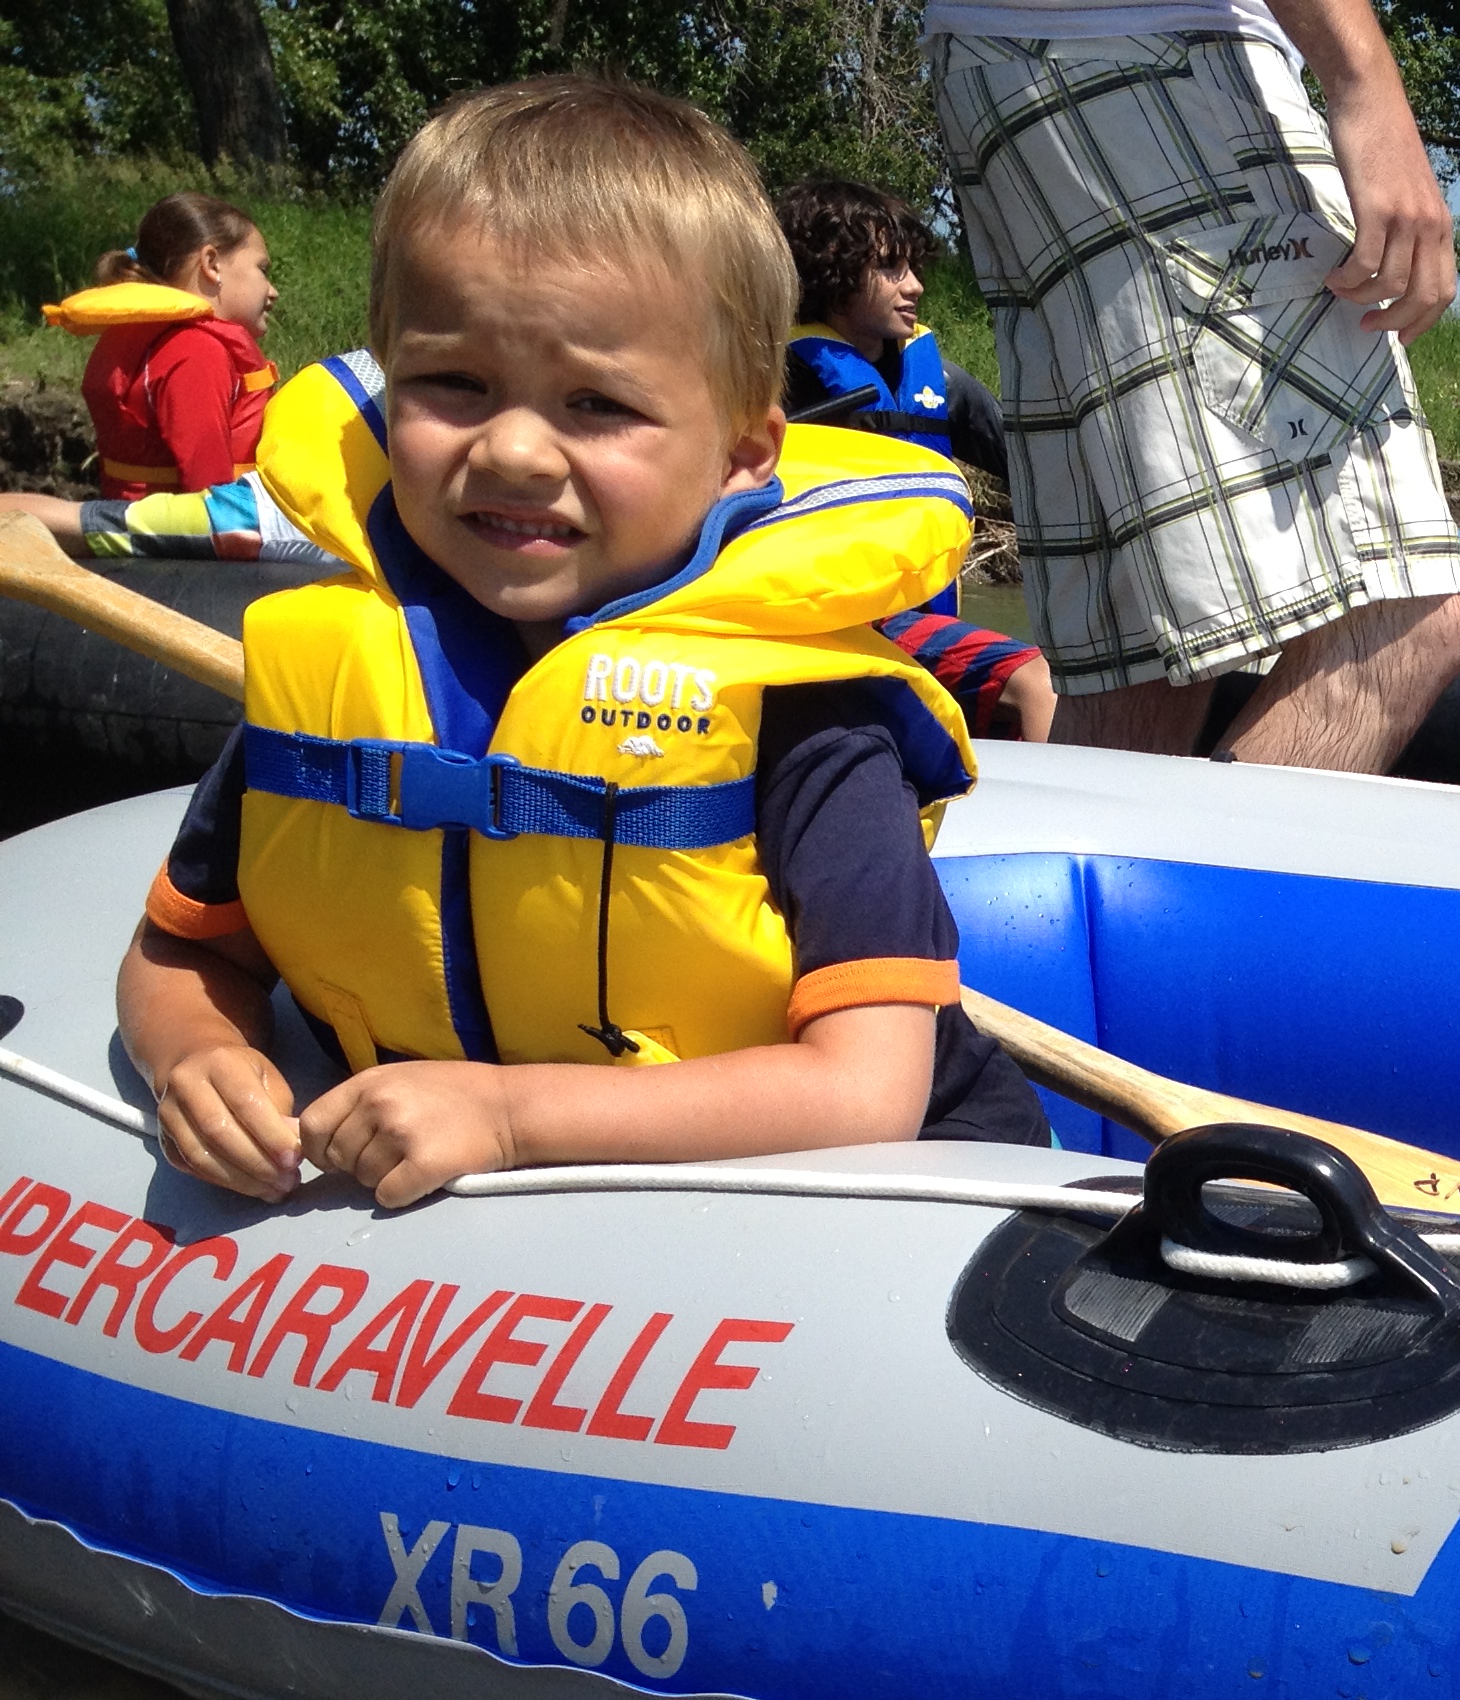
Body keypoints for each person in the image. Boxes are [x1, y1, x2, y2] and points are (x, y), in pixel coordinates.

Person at [116, 73, 1047, 1214]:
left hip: (883, 1212)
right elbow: (186, 949)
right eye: (454, 383)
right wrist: (199, 1054)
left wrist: (508, 1119)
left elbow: (866, 1091)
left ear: (744, 453)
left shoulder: (809, 718)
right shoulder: (342, 674)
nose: (512, 451)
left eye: (597, 404)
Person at [925, 0, 1460, 770]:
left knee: (1140, 671)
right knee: (1397, 624)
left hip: (1027, 78)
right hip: (1159, 61)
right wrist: (1368, 88)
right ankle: (1195, 862)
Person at [776, 173, 1056, 743]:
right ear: (832, 275)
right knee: (1036, 679)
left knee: (1054, 689)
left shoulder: (939, 383)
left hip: (924, 620)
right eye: (890, 268)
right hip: (840, 623)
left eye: (913, 267)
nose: (915, 286)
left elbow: (1037, 472)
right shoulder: (780, 380)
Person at [0, 193, 328, 562]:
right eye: (262, 269)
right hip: (174, 556)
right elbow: (209, 496)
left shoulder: (155, 340)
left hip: (139, 548)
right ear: (211, 264)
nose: (272, 291)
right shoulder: (197, 352)